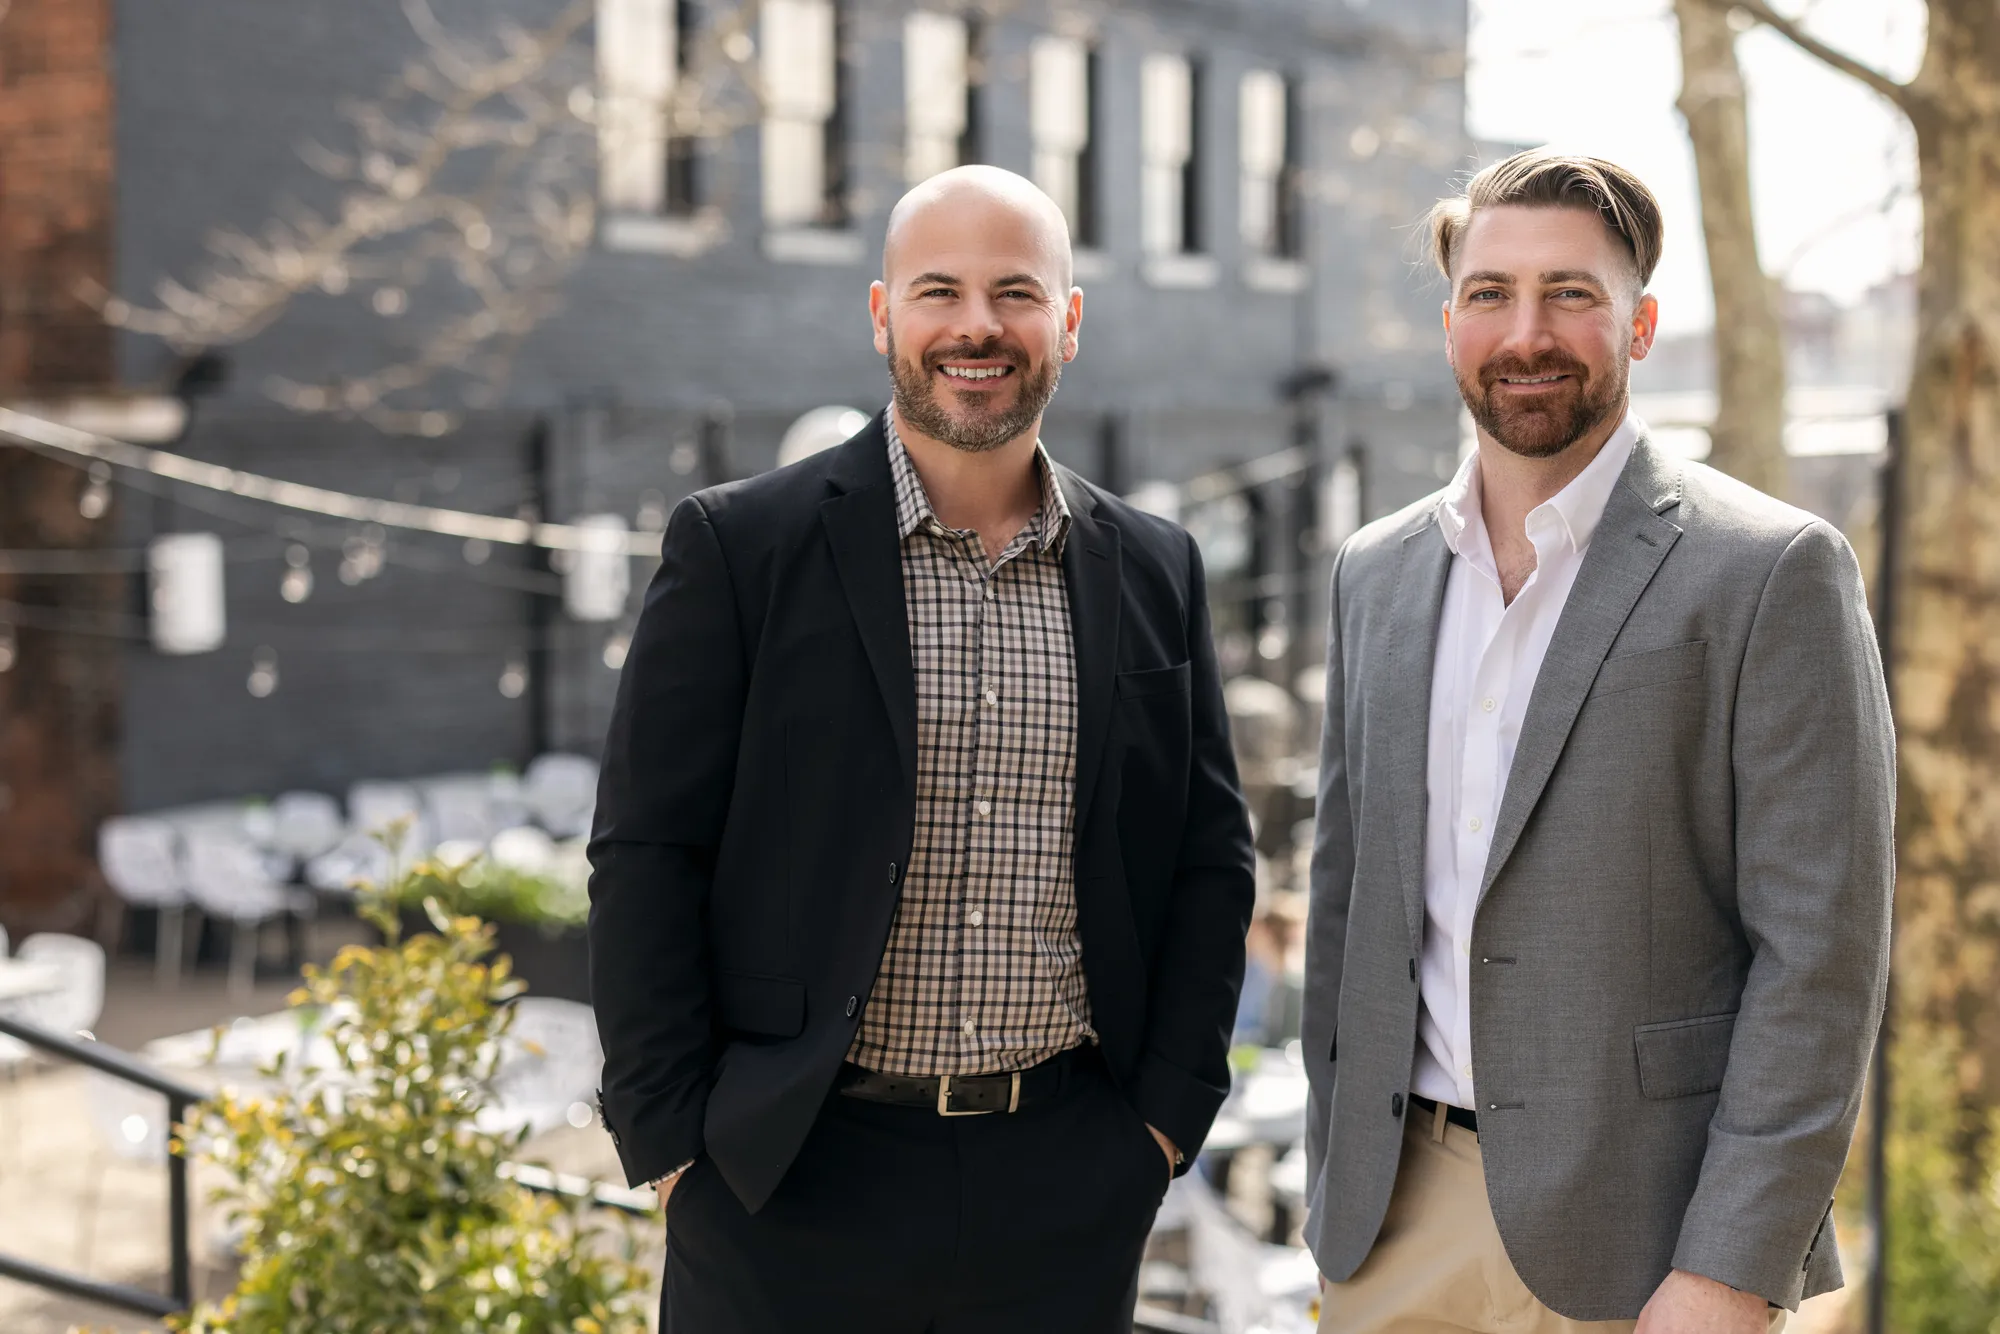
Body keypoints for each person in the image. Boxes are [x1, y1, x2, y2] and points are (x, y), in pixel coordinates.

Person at [587, 164, 1256, 1333]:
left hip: (1066, 1178)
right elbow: (645, 850)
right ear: (882, 312)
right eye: (937, 289)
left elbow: (1209, 855)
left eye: (1015, 291)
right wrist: (671, 1142)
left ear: (1069, 320)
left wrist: (1160, 1123)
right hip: (785, 1174)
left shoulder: (1154, 566)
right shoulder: (739, 548)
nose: (976, 326)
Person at [1301, 149, 1894, 1333]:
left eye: (1570, 292)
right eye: (1490, 293)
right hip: (1387, 1225)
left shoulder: (1769, 568)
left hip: (1647, 1243)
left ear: (1638, 324)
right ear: (1450, 319)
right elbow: (1344, 899)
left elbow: (1818, 958)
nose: (1526, 330)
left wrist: (1731, 1264)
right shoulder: (1375, 572)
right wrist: (1332, 1198)